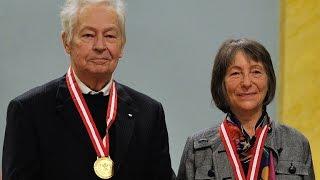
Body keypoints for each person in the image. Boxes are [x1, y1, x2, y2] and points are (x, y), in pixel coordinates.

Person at [2, 0, 175, 179]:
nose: (100, 46)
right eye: (88, 35)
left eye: (110, 36)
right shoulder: (29, 111)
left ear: (122, 44)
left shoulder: (149, 113)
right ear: (66, 42)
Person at [177, 39, 315, 180]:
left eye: (256, 72)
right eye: (236, 73)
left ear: (269, 80)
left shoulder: (297, 143)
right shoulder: (197, 148)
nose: (247, 83)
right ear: (221, 84)